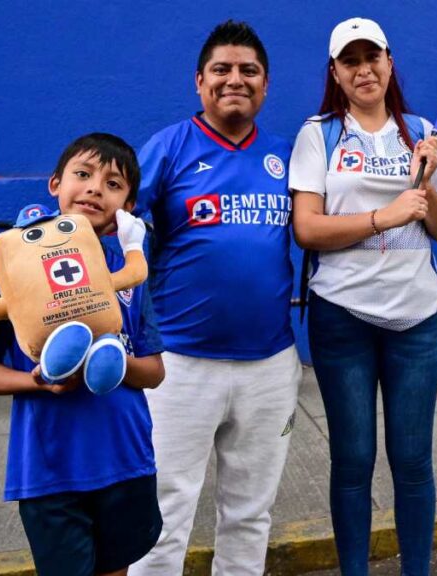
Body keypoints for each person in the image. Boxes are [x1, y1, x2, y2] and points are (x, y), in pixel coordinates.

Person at [288, 17, 437, 576]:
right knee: (353, 461)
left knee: (412, 461)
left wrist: (427, 185)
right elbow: (308, 230)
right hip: (342, 315)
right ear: (335, 73)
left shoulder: (420, 131)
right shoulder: (319, 135)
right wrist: (381, 217)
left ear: (389, 63)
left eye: (373, 58)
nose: (364, 70)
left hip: (417, 315)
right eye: (351, 61)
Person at [128, 20, 301, 576]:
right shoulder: (168, 147)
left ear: (265, 85)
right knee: (162, 512)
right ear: (199, 82)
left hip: (270, 365)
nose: (235, 79)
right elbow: (113, 226)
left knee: (251, 514)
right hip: (179, 363)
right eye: (222, 70)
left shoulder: (287, 157)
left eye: (248, 70)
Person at [0, 133, 166, 576]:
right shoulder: (15, 266)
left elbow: (154, 372)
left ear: (128, 206)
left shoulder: (129, 275)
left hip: (125, 459)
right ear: (55, 183)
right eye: (83, 175)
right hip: (49, 469)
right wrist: (38, 380)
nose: (95, 188)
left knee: (117, 569)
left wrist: (108, 364)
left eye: (114, 184)